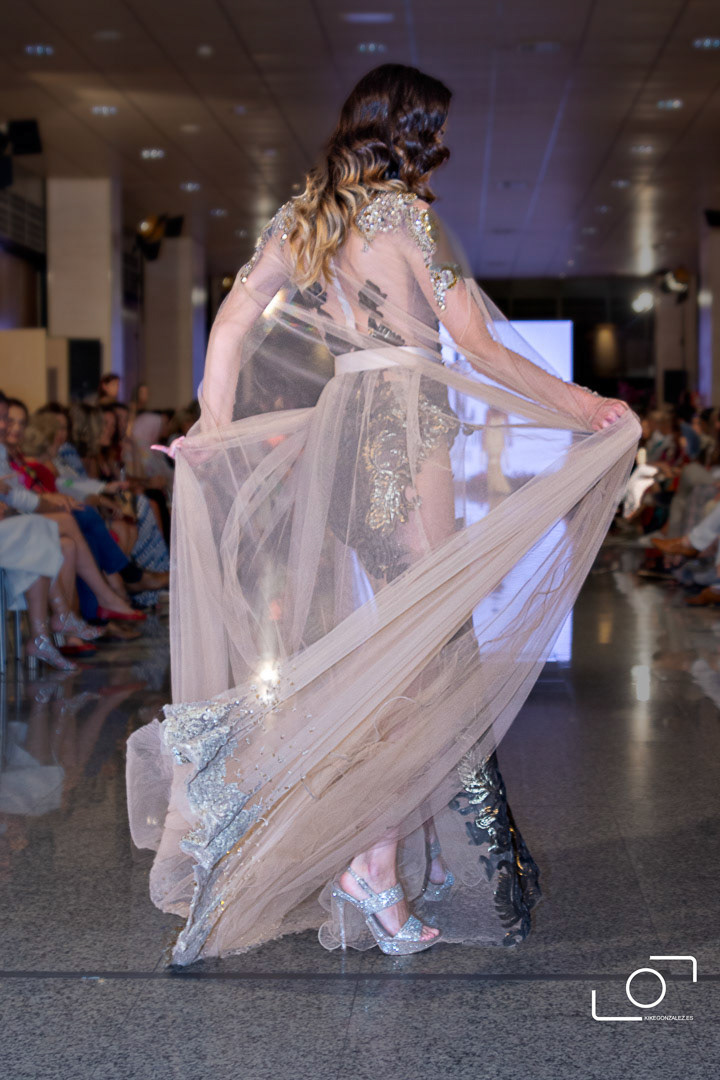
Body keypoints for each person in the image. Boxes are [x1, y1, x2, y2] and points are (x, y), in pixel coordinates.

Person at [126, 64, 639, 966]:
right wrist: (583, 404)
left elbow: (232, 323)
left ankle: (391, 850)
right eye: (436, 127)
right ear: (410, 130)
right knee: (427, 660)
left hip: (345, 432)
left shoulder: (307, 217)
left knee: (412, 652)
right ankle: (370, 858)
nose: (444, 144)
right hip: (403, 432)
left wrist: (213, 424)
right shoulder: (405, 217)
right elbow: (476, 345)